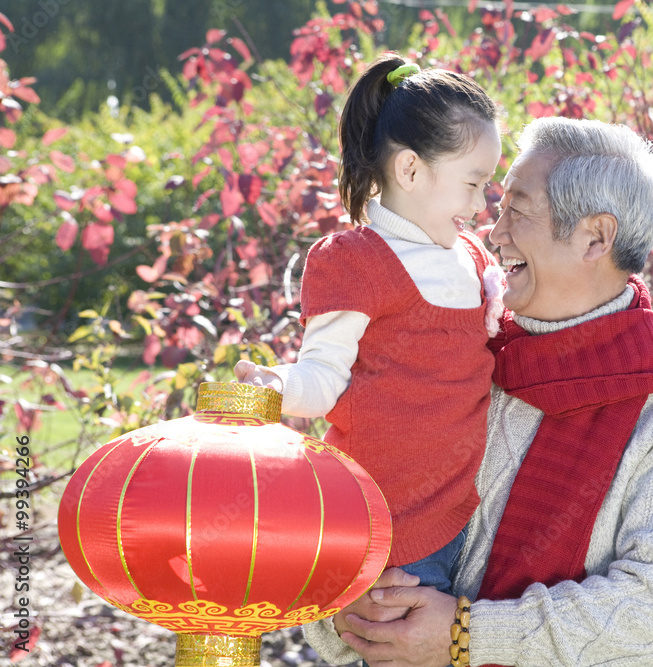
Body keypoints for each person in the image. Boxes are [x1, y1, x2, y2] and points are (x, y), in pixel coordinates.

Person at [302, 116, 653, 667]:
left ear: (596, 237)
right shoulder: (458, 355)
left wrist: (466, 636)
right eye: (496, 208)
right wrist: (345, 610)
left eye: (516, 211)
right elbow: (360, 500)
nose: (492, 234)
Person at [235, 52, 505, 595]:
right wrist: (278, 384)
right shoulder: (355, 261)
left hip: (472, 516)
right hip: (389, 526)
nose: (482, 204)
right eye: (473, 184)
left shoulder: (473, 259)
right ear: (409, 169)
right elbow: (322, 377)